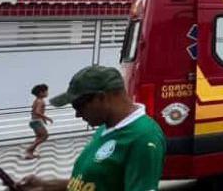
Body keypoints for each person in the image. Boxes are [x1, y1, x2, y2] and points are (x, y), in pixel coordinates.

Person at [13, 65, 165, 191]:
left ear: (101, 97)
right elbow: (93, 185)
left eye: (78, 106)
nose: (77, 115)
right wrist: (44, 185)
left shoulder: (143, 138)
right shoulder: (106, 128)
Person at [25, 84, 53, 159]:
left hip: (34, 121)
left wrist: (43, 119)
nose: (47, 93)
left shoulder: (36, 101)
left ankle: (30, 153)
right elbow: (37, 112)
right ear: (41, 93)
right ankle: (29, 150)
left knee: (39, 137)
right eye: (46, 91)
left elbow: (35, 111)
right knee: (45, 136)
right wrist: (47, 118)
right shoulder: (40, 101)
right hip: (36, 121)